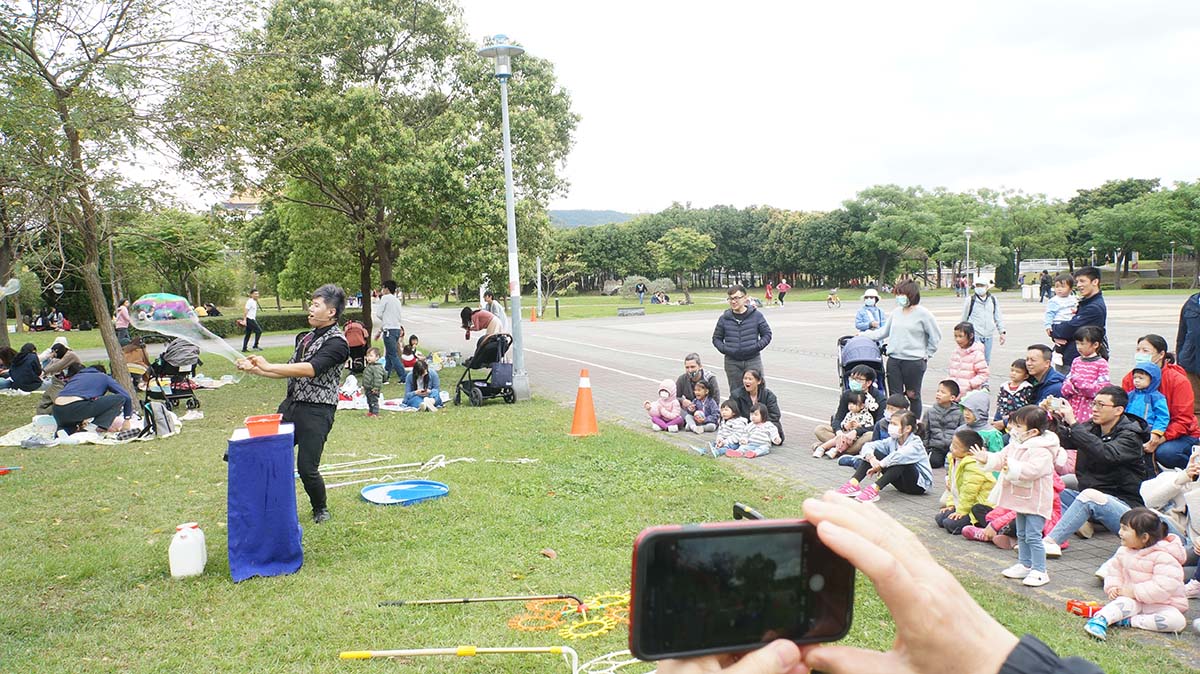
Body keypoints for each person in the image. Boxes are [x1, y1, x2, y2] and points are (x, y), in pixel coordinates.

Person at [237, 284, 349, 524]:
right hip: (291, 406)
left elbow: (311, 369)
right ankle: (269, 505)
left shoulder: (339, 343)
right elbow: (289, 371)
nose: (310, 308)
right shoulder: (305, 338)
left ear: (331, 312)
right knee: (269, 453)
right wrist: (256, 369)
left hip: (318, 412)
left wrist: (266, 365)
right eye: (312, 303)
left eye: (316, 305)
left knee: (307, 467)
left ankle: (320, 508)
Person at [1041, 386, 1150, 554]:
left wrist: (1074, 423)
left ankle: (1052, 542)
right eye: (1094, 403)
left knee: (1088, 497)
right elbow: (1066, 439)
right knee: (1048, 487)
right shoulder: (1093, 427)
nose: (1094, 409)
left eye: (1100, 405)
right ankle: (1081, 523)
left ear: (1118, 410)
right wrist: (1047, 418)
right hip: (1090, 492)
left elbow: (1105, 454)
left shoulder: (1131, 436)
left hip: (1122, 504)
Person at [971, 406, 1062, 587]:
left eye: (1018, 426)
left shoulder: (1042, 450)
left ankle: (1039, 570)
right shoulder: (1016, 444)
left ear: (1033, 431)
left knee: (1033, 535)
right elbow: (1000, 458)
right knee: (1021, 533)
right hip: (1019, 498)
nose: (1013, 430)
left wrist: (1010, 466)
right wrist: (986, 458)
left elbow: (1032, 471)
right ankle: (1025, 564)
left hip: (1035, 500)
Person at [1085, 507, 1188, 640]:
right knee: (1121, 604)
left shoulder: (1165, 557)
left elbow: (1164, 587)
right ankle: (1100, 620)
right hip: (1132, 600)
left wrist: (1133, 591)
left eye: (1125, 529)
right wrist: (1113, 587)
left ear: (1144, 537)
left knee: (1177, 621)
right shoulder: (1124, 551)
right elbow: (1114, 571)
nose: (1120, 532)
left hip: (1162, 604)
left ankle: (1130, 621)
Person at [859, 280, 941, 418]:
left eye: (902, 294)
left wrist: (927, 354)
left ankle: (913, 424)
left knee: (912, 395)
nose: (899, 297)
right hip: (895, 360)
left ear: (911, 295)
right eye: (898, 294)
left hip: (914, 361)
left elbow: (935, 336)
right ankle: (895, 423)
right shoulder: (896, 312)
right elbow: (883, 332)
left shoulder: (924, 314)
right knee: (895, 396)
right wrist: (863, 335)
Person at [1120, 334, 1200, 470]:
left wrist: (1158, 438)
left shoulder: (1177, 380)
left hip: (1179, 434)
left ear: (1161, 354)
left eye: (1145, 351)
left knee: (1166, 453)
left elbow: (1183, 420)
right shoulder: (1131, 378)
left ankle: (1193, 472)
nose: (1140, 354)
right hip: (1140, 431)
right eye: (1138, 350)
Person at [835, 410, 932, 503]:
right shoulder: (892, 440)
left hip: (918, 486)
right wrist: (871, 458)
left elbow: (900, 455)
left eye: (895, 424)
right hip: (900, 484)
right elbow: (869, 445)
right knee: (874, 452)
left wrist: (880, 465)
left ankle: (874, 489)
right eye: (891, 423)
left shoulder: (916, 444)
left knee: (900, 460)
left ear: (907, 428)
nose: (891, 426)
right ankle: (853, 483)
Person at [813, 365, 886, 457]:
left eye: (858, 379)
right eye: (852, 378)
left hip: (863, 432)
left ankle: (831, 447)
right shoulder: (847, 394)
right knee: (819, 429)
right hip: (846, 430)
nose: (854, 382)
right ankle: (840, 448)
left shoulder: (879, 399)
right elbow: (838, 418)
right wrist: (839, 432)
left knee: (870, 436)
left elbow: (878, 425)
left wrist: (857, 431)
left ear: (868, 383)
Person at [712, 285, 772, 395]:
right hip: (732, 362)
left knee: (759, 392)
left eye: (736, 298)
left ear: (745, 298)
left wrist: (756, 347)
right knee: (736, 394)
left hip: (753, 360)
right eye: (730, 299)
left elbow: (767, 334)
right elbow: (716, 339)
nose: (733, 301)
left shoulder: (756, 316)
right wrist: (726, 349)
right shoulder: (724, 318)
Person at [936, 428, 996, 535]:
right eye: (952, 444)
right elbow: (953, 487)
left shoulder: (974, 465)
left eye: (955, 447)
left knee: (950, 524)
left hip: (978, 507)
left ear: (969, 452)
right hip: (964, 503)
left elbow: (969, 493)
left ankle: (979, 526)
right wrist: (951, 505)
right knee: (940, 518)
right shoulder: (954, 459)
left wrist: (961, 511)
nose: (951, 448)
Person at [1050, 266, 1107, 372]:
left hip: (1078, 359)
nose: (1079, 285)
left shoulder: (1093, 307)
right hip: (1071, 356)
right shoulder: (1085, 302)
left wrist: (1052, 329)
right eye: (1077, 282)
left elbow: (1069, 329)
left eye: (1082, 281)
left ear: (1095, 281)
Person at [51, 364, 133, 434]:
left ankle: (63, 431)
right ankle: (95, 427)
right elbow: (126, 396)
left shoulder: (76, 377)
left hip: (57, 410)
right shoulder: (103, 377)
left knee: (69, 433)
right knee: (118, 399)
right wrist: (127, 419)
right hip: (75, 407)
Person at [1124, 362, 1170, 476]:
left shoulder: (1156, 397)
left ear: (1152, 379)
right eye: (1135, 377)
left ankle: (1152, 478)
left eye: (1141, 378)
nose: (1137, 380)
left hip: (1146, 432)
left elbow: (1162, 416)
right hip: (1129, 430)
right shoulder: (1130, 395)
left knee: (1147, 459)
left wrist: (1157, 432)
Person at [1059, 325, 1110, 428]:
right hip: (1073, 404)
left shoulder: (1101, 363)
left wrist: (1079, 384)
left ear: (1095, 344)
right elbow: (1066, 384)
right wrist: (1071, 387)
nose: (1079, 347)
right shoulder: (1076, 361)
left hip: (1088, 407)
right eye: (1077, 343)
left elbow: (1101, 389)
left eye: (1082, 344)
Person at [812, 391, 874, 459]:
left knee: (870, 435)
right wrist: (844, 427)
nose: (851, 406)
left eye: (854, 404)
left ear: (862, 406)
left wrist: (859, 428)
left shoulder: (867, 416)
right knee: (820, 429)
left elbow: (870, 426)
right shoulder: (849, 414)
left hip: (856, 438)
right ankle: (834, 449)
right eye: (849, 403)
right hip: (844, 435)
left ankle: (828, 448)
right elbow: (840, 422)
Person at [730, 369, 784, 441]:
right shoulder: (736, 395)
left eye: (750, 379)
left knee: (775, 427)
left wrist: (759, 421)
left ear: (758, 381)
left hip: (763, 423)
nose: (747, 381)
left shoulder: (768, 395)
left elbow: (775, 415)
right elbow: (733, 414)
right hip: (745, 424)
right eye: (745, 378)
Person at [960, 280, 1006, 363]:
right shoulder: (970, 300)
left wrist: (1002, 332)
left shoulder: (993, 300)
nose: (979, 288)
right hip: (975, 334)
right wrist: (962, 333)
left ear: (987, 287)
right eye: (977, 286)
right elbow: (964, 318)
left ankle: (984, 375)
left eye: (982, 285)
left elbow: (997, 316)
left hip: (989, 334)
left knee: (986, 361)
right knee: (975, 359)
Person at [922, 380, 963, 469]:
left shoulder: (959, 413)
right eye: (938, 391)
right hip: (936, 446)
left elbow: (962, 432)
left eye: (943, 392)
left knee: (953, 464)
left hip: (953, 447)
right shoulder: (930, 412)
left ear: (952, 397)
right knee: (933, 462)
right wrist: (924, 448)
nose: (938, 394)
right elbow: (925, 432)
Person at [373, 280, 405, 384]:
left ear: (386, 289)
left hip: (388, 330)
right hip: (396, 329)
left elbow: (378, 314)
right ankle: (385, 377)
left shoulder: (385, 298)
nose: (382, 290)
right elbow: (399, 317)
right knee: (389, 355)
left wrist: (385, 319)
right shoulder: (397, 300)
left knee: (392, 355)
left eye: (383, 288)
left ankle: (403, 376)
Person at [947, 321, 989, 396]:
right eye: (955, 336)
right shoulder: (955, 353)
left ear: (971, 336)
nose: (957, 339)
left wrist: (970, 384)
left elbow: (984, 373)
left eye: (960, 336)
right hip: (954, 393)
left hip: (969, 395)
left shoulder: (977, 354)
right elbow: (951, 372)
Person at [1176, 289, 1200, 416]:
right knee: (1194, 407)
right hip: (1191, 362)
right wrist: (1180, 359)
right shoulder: (1191, 303)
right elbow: (1182, 334)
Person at [993, 359, 1035, 432]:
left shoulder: (1027, 388)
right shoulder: (1004, 386)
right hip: (1002, 417)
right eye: (1012, 370)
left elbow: (1028, 405)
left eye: (1018, 372)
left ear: (1026, 376)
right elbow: (999, 403)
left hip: (1018, 420)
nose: (1013, 373)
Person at [361, 347, 385, 418]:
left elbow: (378, 379)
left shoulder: (377, 367)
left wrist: (376, 388)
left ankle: (375, 413)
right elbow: (366, 377)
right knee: (369, 401)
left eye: (371, 356)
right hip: (368, 388)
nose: (368, 358)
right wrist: (363, 386)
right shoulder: (369, 366)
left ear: (377, 357)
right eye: (367, 356)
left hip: (373, 389)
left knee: (374, 401)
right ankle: (370, 412)